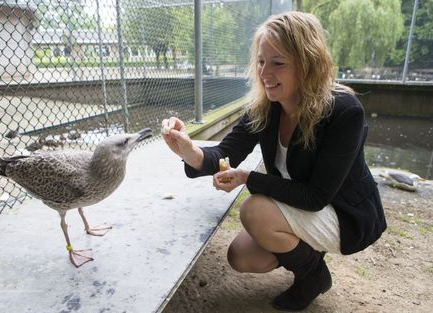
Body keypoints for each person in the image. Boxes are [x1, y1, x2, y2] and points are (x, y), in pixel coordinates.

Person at [161, 11, 386, 311]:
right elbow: (223, 154)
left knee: (254, 210)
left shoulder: (344, 111)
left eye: (278, 63)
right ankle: (308, 252)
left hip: (342, 214)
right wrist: (188, 150)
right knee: (242, 256)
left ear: (308, 65)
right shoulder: (265, 107)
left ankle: (313, 276)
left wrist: (247, 179)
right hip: (302, 205)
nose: (265, 73)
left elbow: (316, 196)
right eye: (261, 61)